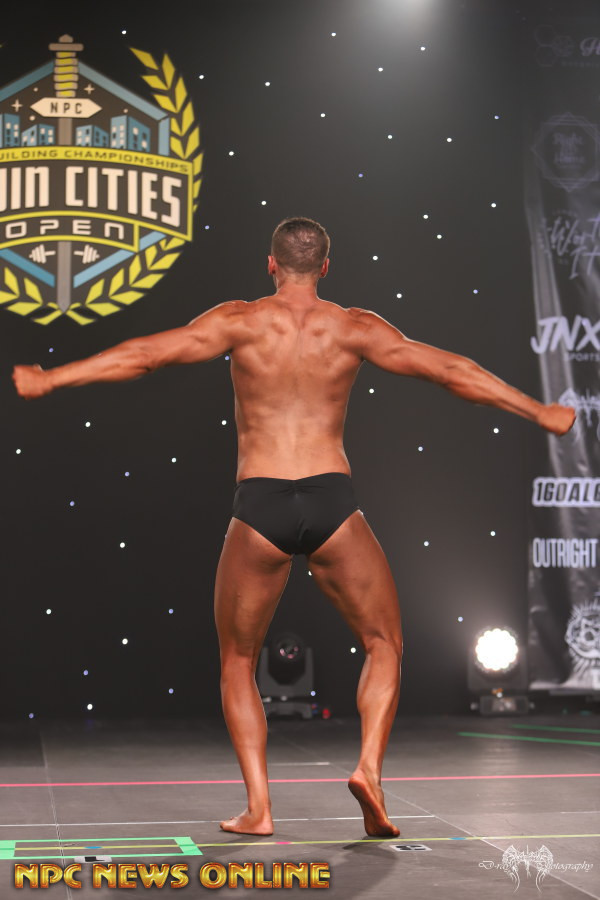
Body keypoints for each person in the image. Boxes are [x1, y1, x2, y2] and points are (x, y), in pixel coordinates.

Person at [12, 216, 576, 838]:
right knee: (384, 643)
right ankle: (369, 771)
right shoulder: (354, 327)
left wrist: (53, 378)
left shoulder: (240, 321)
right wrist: (537, 410)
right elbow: (448, 370)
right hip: (332, 500)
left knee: (238, 659)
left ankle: (259, 808)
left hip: (261, 503)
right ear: (325, 267)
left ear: (271, 264)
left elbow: (146, 356)